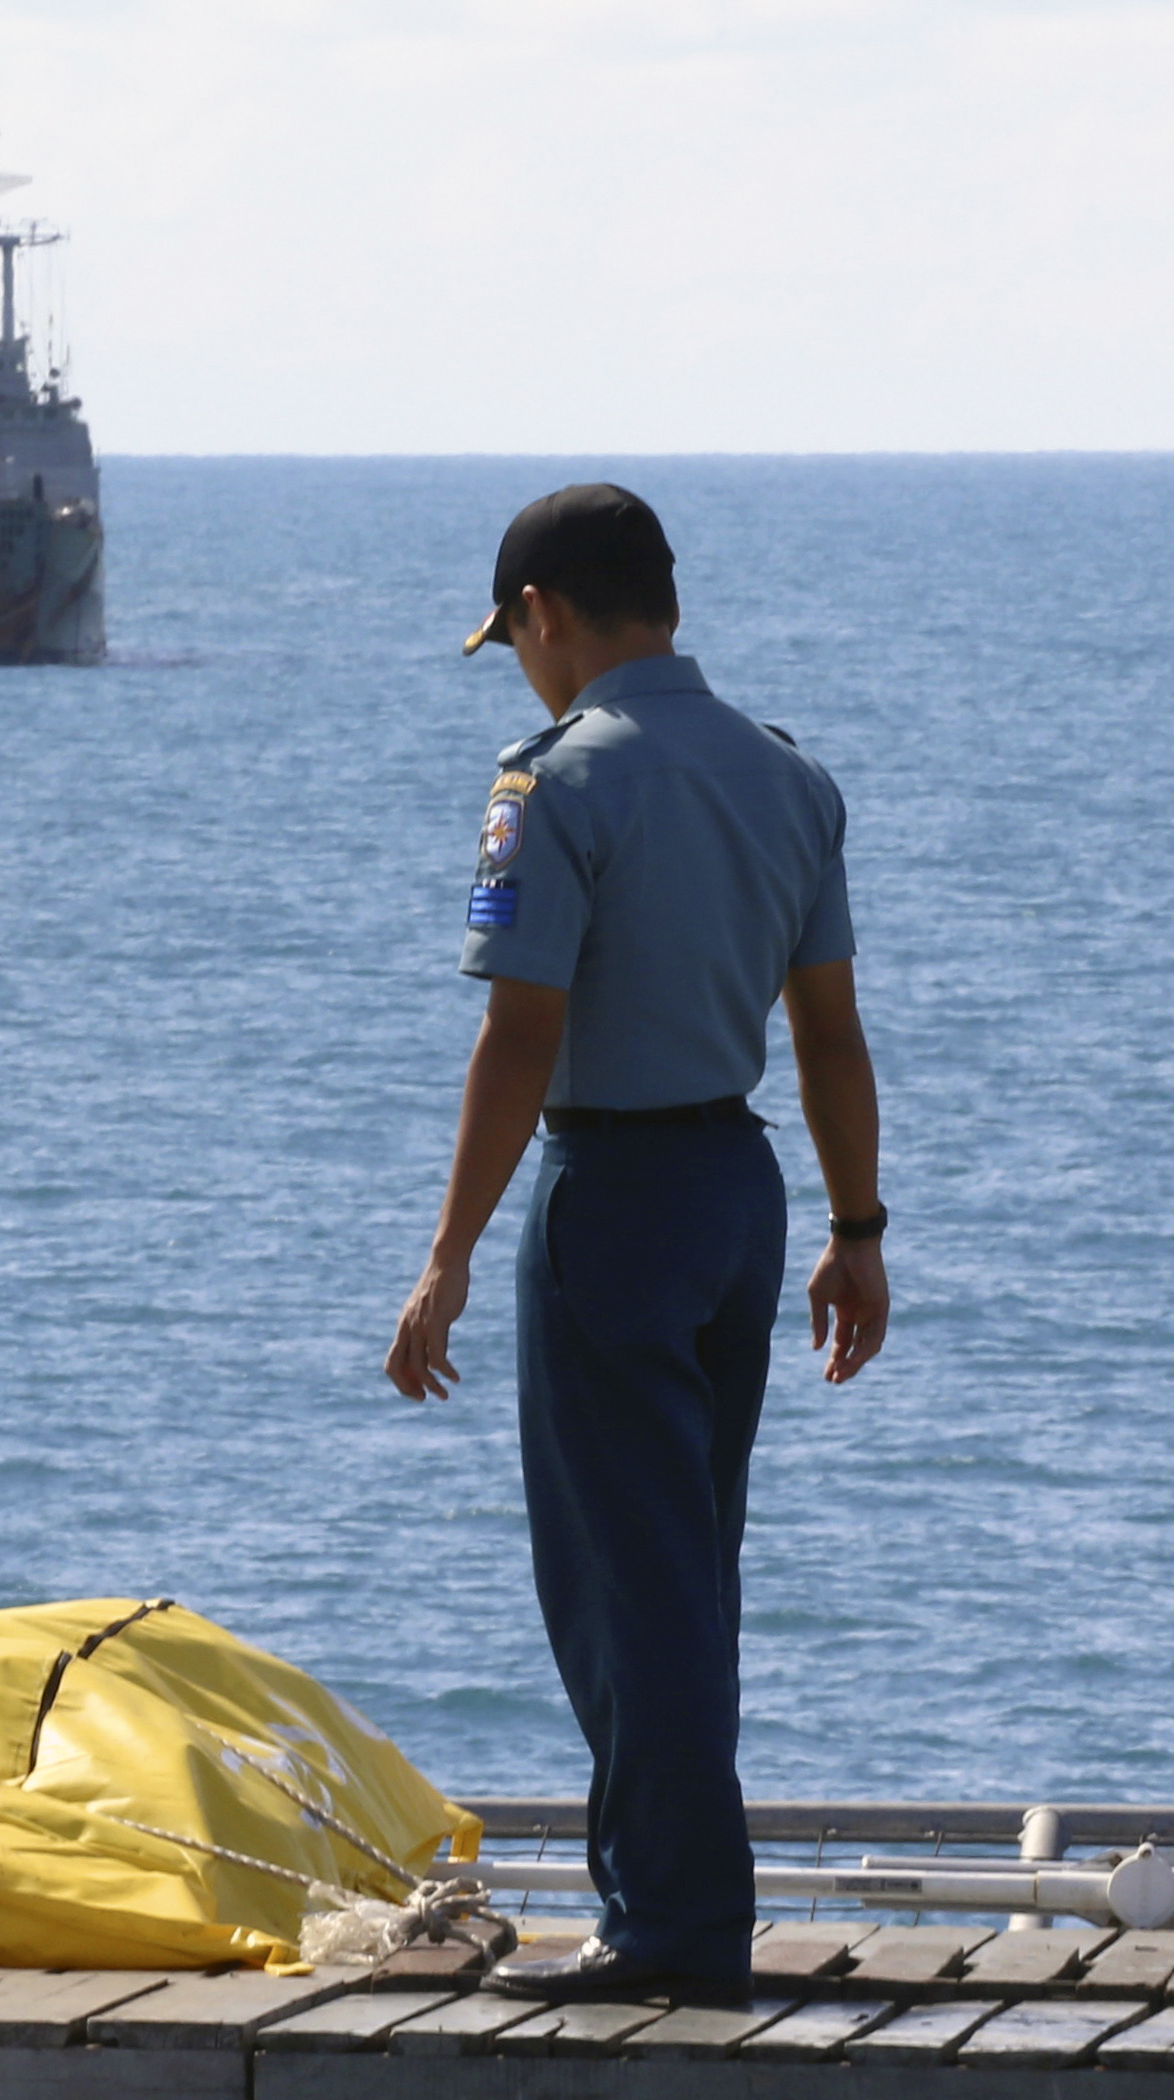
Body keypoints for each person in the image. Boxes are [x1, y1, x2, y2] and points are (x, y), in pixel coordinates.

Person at [382, 483, 887, 2009]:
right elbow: (831, 1032)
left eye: (516, 639)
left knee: (621, 1582)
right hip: (743, 1192)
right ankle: (682, 1898)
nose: (521, 669)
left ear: (544, 614)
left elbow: (519, 1034)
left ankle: (671, 1925)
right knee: (689, 1565)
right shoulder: (785, 776)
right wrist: (859, 1231)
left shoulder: (560, 784)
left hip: (610, 1199)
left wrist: (449, 1251)